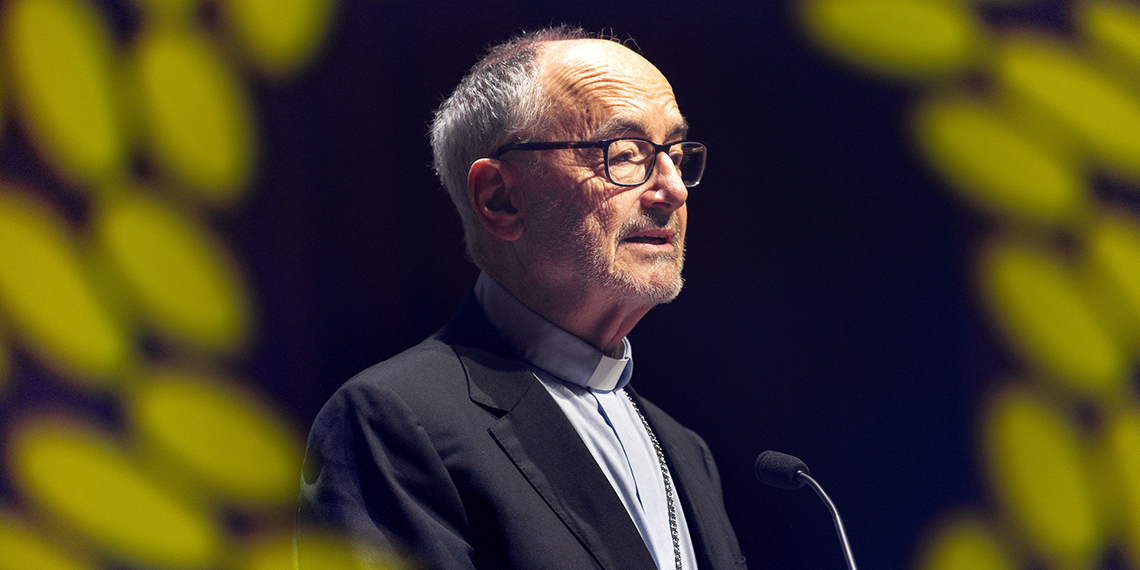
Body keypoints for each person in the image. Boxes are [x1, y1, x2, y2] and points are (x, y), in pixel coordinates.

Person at [296, 26, 747, 570]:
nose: (672, 188)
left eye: (675, 153)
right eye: (624, 153)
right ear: (500, 198)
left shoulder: (685, 451)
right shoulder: (393, 421)